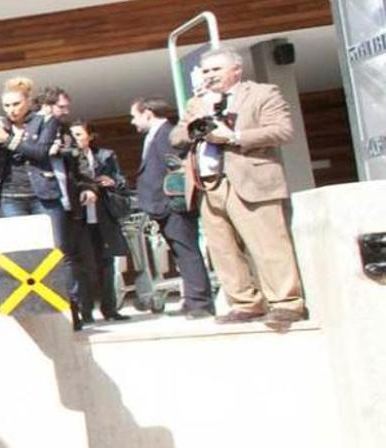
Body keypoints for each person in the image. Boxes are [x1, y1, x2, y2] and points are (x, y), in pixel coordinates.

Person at [170, 47, 307, 326]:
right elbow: (175, 137)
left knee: (267, 244)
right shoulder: (197, 103)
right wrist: (195, 124)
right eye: (206, 71)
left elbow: (282, 130)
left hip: (250, 179)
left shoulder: (262, 93)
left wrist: (233, 136)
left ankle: (286, 302)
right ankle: (245, 303)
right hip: (207, 185)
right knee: (222, 249)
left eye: (216, 70)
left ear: (236, 70)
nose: (210, 76)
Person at [0, 78, 97, 329]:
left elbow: (40, 152)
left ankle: (72, 311)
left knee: (57, 251)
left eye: (16, 104)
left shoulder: (45, 121)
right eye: (6, 105)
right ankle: (29, 312)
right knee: (18, 252)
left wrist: (7, 140)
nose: (11, 110)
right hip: (10, 196)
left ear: (28, 101)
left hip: (43, 193)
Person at [130, 97, 215, 320]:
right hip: (161, 206)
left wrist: (170, 202)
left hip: (171, 205)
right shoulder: (154, 136)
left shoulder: (167, 133)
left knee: (187, 251)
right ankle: (191, 300)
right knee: (180, 253)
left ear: (148, 113)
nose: (132, 121)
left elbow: (175, 167)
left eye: (134, 116)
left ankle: (201, 302)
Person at [69, 121, 130, 322]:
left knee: (107, 262)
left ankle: (110, 309)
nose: (75, 139)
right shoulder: (68, 158)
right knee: (82, 265)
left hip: (103, 214)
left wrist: (112, 182)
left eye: (79, 134)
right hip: (80, 218)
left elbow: (121, 179)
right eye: (72, 135)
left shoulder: (105, 155)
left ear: (89, 136)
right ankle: (85, 312)